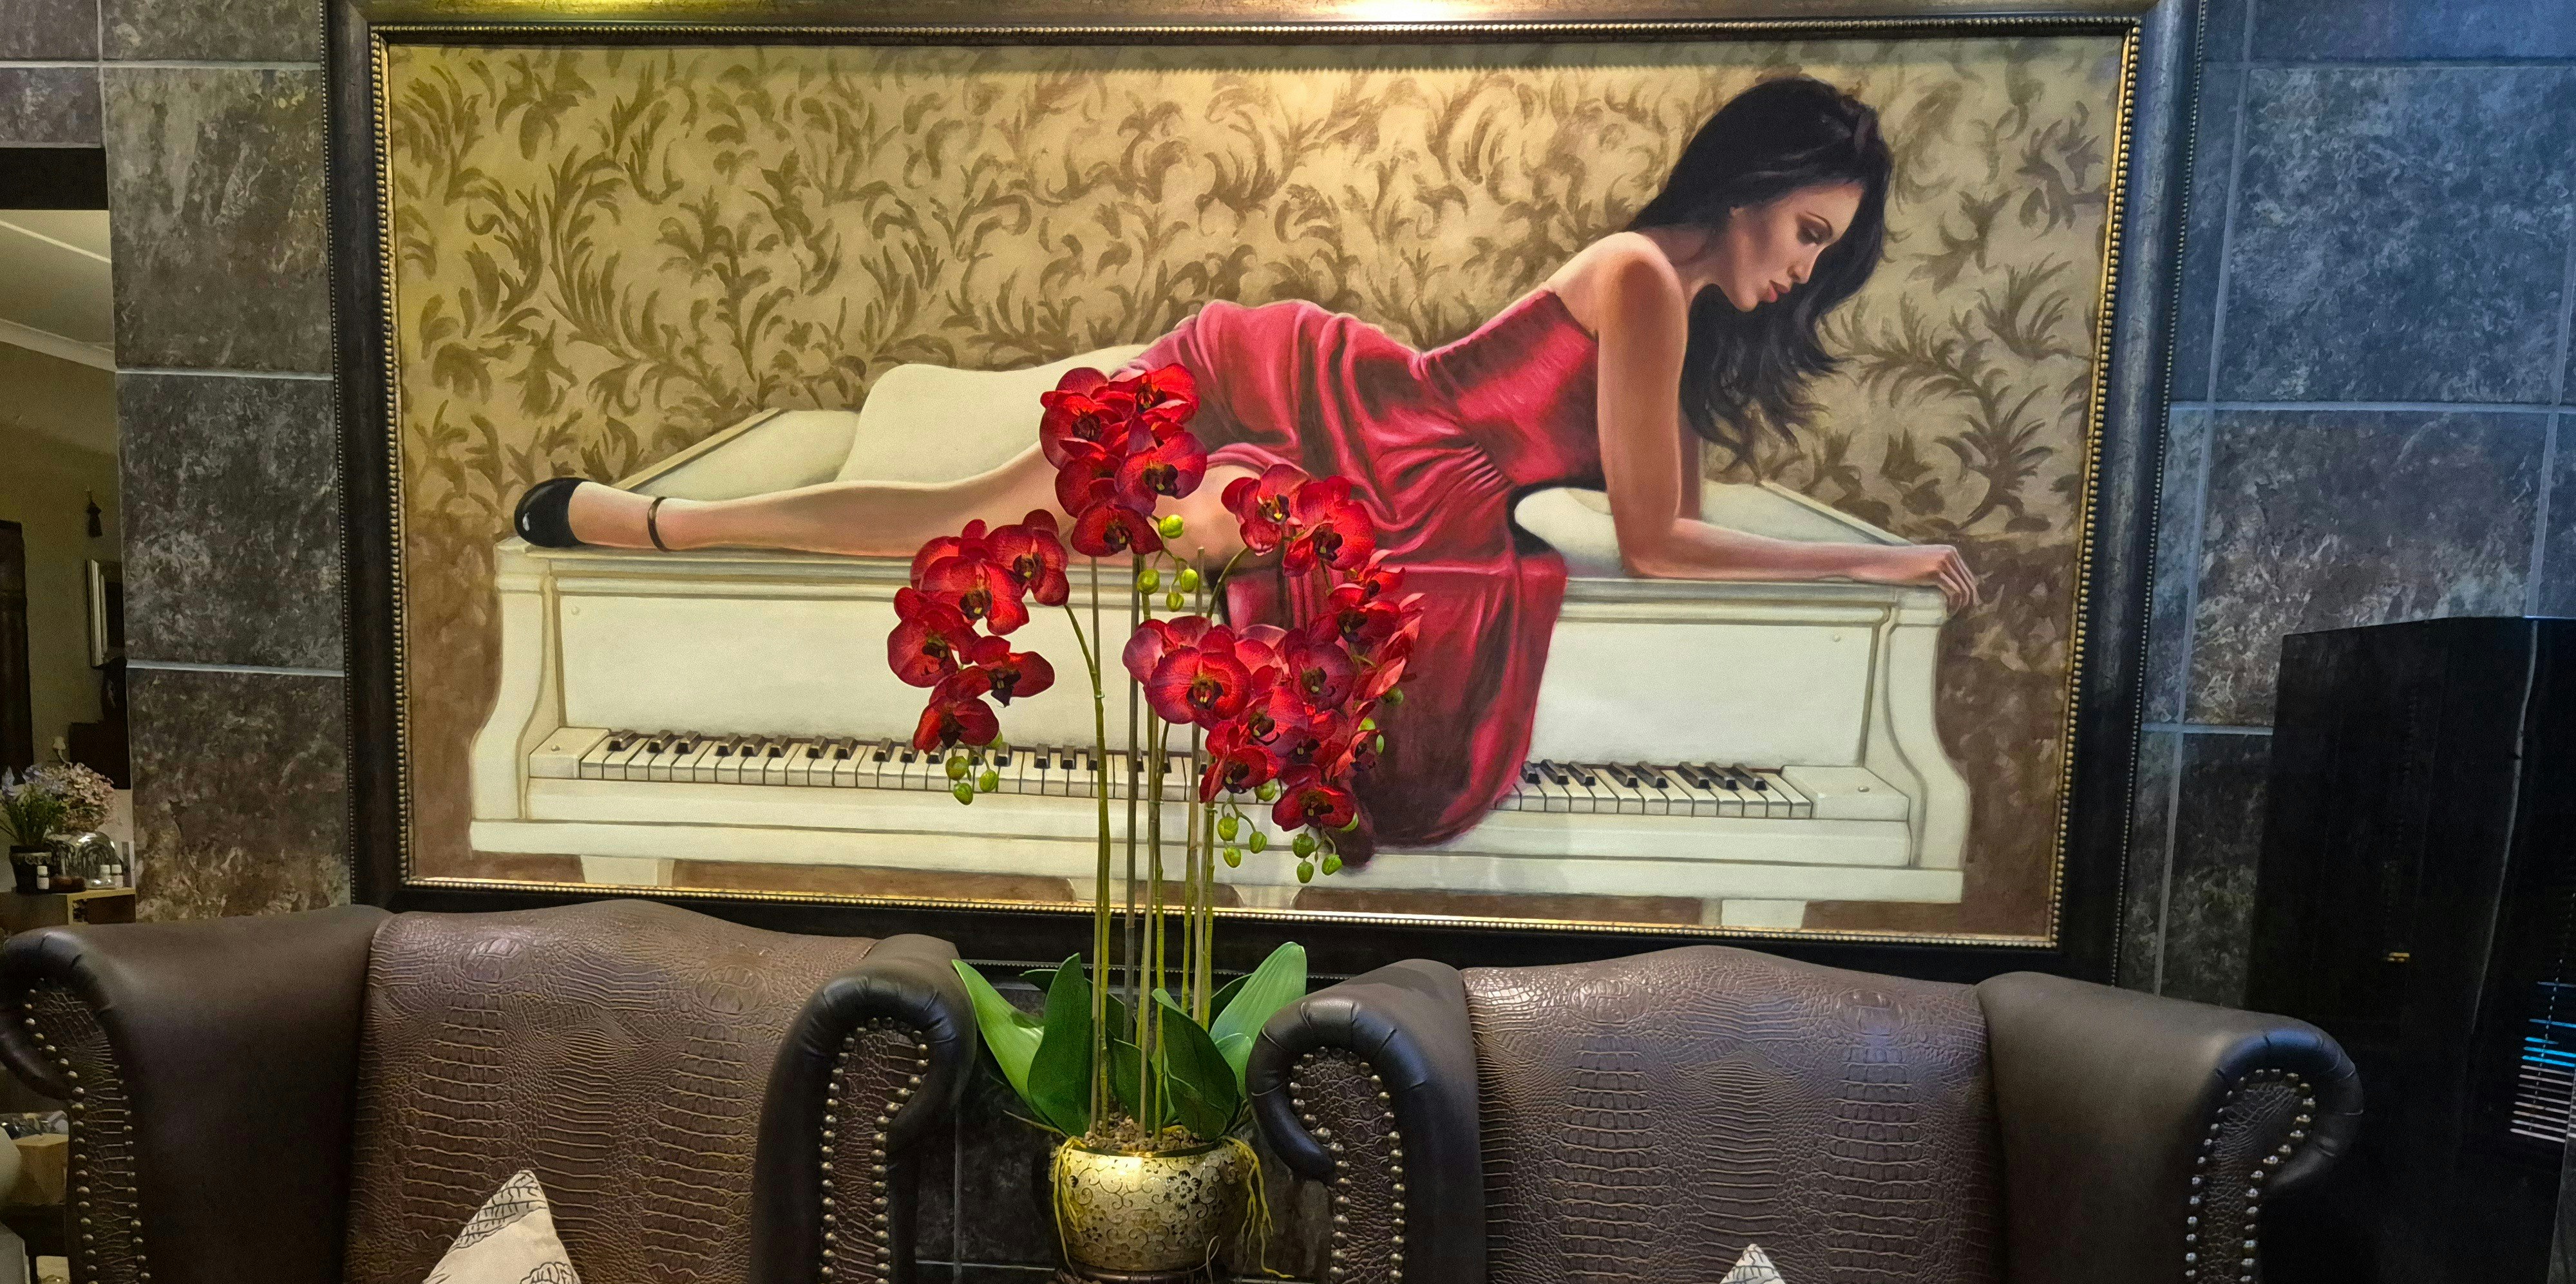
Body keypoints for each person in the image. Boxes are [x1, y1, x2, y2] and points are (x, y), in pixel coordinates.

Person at [512, 75, 1975, 848]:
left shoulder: (1667, 301)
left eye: (1828, 251)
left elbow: (1649, 524)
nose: (1806, 270)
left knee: (978, 516)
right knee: (979, 517)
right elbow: (1657, 541)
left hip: (1384, 455)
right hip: (1354, 429)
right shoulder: (1646, 278)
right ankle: (664, 526)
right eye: (1809, 232)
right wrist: (1871, 560)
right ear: (1752, 187)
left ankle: (664, 523)